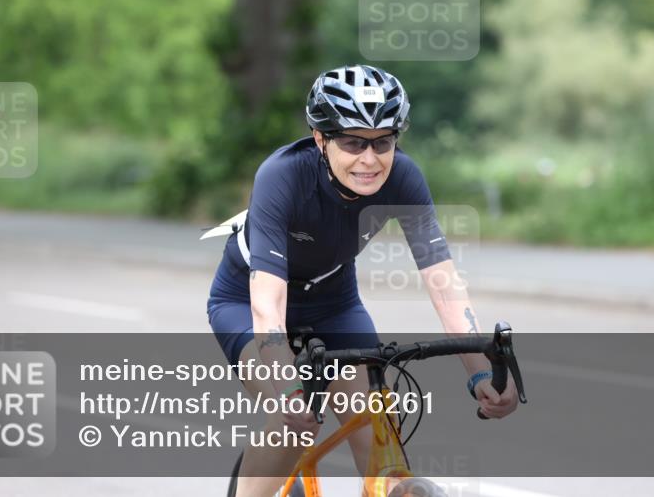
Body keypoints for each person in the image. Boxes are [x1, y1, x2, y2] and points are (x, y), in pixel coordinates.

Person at [206, 65, 518, 497]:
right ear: (320, 139)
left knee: (377, 426)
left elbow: (443, 281)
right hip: (245, 301)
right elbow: (267, 304)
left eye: (382, 143)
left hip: (333, 304)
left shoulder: (404, 178)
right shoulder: (281, 176)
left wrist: (480, 373)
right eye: (353, 142)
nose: (369, 160)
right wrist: (289, 386)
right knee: (294, 422)